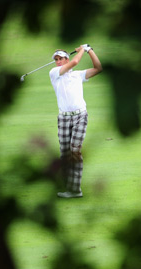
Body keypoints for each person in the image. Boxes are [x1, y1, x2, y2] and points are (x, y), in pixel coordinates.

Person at [49, 44, 103, 198]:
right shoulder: (54, 73)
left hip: (80, 116)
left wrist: (90, 50)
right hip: (64, 118)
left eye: (61, 58)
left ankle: (75, 190)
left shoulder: (77, 75)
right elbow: (74, 63)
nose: (58, 61)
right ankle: (67, 187)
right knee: (65, 154)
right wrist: (82, 50)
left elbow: (98, 68)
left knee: (75, 151)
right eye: (56, 59)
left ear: (67, 58)